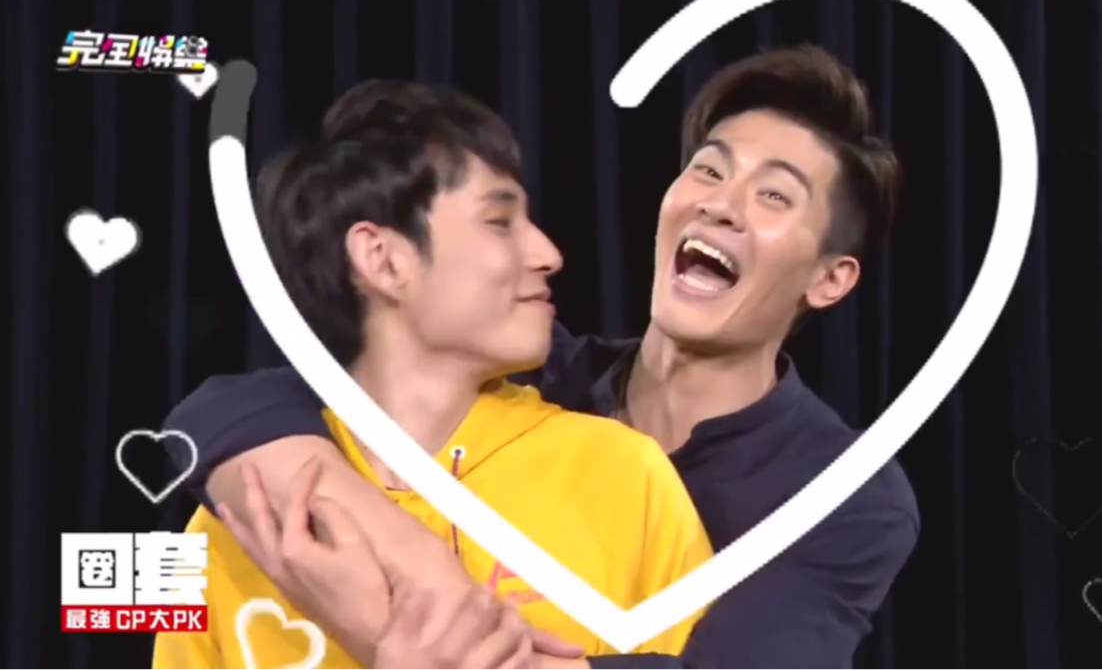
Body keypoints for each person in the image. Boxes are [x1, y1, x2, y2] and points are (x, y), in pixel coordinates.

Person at [164, 44, 919, 668]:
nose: (719, 203)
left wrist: (403, 630)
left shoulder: (847, 495)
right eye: (710, 169)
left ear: (830, 279)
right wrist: (391, 540)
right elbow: (225, 410)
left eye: (775, 196)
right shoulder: (518, 361)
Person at [152, 79, 713, 669]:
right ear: (383, 259)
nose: (548, 254)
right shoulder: (239, 517)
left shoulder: (620, 475)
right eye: (499, 221)